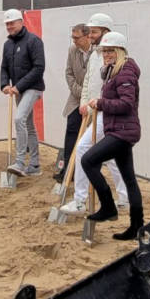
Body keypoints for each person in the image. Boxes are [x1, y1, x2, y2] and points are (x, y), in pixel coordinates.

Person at [59, 14, 128, 215]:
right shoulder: (96, 54)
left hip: (106, 112)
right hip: (94, 109)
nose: (90, 35)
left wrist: (95, 105)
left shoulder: (114, 55)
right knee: (110, 157)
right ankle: (125, 196)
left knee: (82, 149)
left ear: (106, 32)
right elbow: (89, 81)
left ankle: (80, 200)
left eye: (94, 31)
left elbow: (108, 88)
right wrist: (83, 105)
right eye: (90, 31)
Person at [81, 31, 145, 240]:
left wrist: (101, 103)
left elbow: (126, 104)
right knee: (129, 179)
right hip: (119, 130)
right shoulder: (113, 71)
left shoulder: (125, 72)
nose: (106, 54)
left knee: (88, 160)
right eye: (104, 51)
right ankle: (137, 227)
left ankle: (108, 207)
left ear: (120, 51)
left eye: (110, 51)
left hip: (122, 132)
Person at [0, 8, 45, 177]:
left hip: (33, 87)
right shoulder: (7, 44)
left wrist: (19, 86)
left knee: (19, 119)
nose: (9, 26)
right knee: (29, 126)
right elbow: (4, 67)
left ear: (21, 22)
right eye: (7, 24)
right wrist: (4, 84)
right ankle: (34, 165)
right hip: (17, 90)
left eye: (12, 23)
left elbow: (39, 68)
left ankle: (19, 162)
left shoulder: (34, 41)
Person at [55, 21, 91, 182]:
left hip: (92, 102)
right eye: (73, 37)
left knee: (88, 139)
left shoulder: (97, 52)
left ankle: (84, 173)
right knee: (71, 132)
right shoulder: (72, 50)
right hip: (76, 99)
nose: (74, 41)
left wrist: (87, 96)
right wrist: (79, 92)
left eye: (77, 38)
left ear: (87, 36)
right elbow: (68, 73)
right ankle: (67, 171)